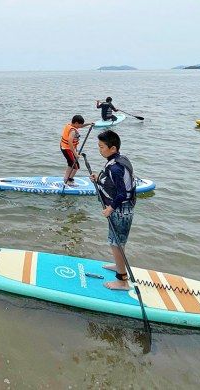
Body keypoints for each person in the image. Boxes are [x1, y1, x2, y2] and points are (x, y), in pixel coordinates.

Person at [90, 130, 137, 291]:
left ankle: (122, 281)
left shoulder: (116, 167)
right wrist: (98, 179)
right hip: (120, 208)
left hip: (121, 210)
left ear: (113, 148)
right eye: (99, 146)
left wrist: (110, 208)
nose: (99, 150)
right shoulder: (117, 160)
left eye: (102, 147)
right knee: (115, 242)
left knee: (117, 244)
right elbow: (113, 184)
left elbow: (122, 193)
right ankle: (118, 266)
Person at [60, 115, 90, 185]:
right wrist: (75, 154)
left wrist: (89, 124)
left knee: (70, 164)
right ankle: (69, 181)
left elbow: (81, 126)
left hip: (64, 147)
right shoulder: (73, 131)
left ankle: (66, 179)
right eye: (80, 125)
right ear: (76, 123)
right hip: (68, 149)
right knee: (75, 166)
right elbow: (70, 142)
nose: (80, 126)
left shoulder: (69, 125)